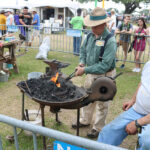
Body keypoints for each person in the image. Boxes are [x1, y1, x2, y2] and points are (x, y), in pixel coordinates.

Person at [72, 7, 117, 138]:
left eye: (95, 26)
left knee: (102, 103)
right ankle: (85, 121)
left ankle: (97, 127)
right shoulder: (90, 36)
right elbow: (83, 51)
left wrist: (85, 69)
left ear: (103, 24)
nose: (92, 28)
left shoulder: (110, 40)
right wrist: (82, 62)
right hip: (91, 72)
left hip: (105, 76)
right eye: (91, 26)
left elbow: (104, 66)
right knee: (87, 98)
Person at [98, 60, 150, 150]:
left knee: (147, 141)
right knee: (107, 132)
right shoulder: (148, 64)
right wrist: (133, 100)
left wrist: (137, 123)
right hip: (138, 110)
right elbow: (142, 83)